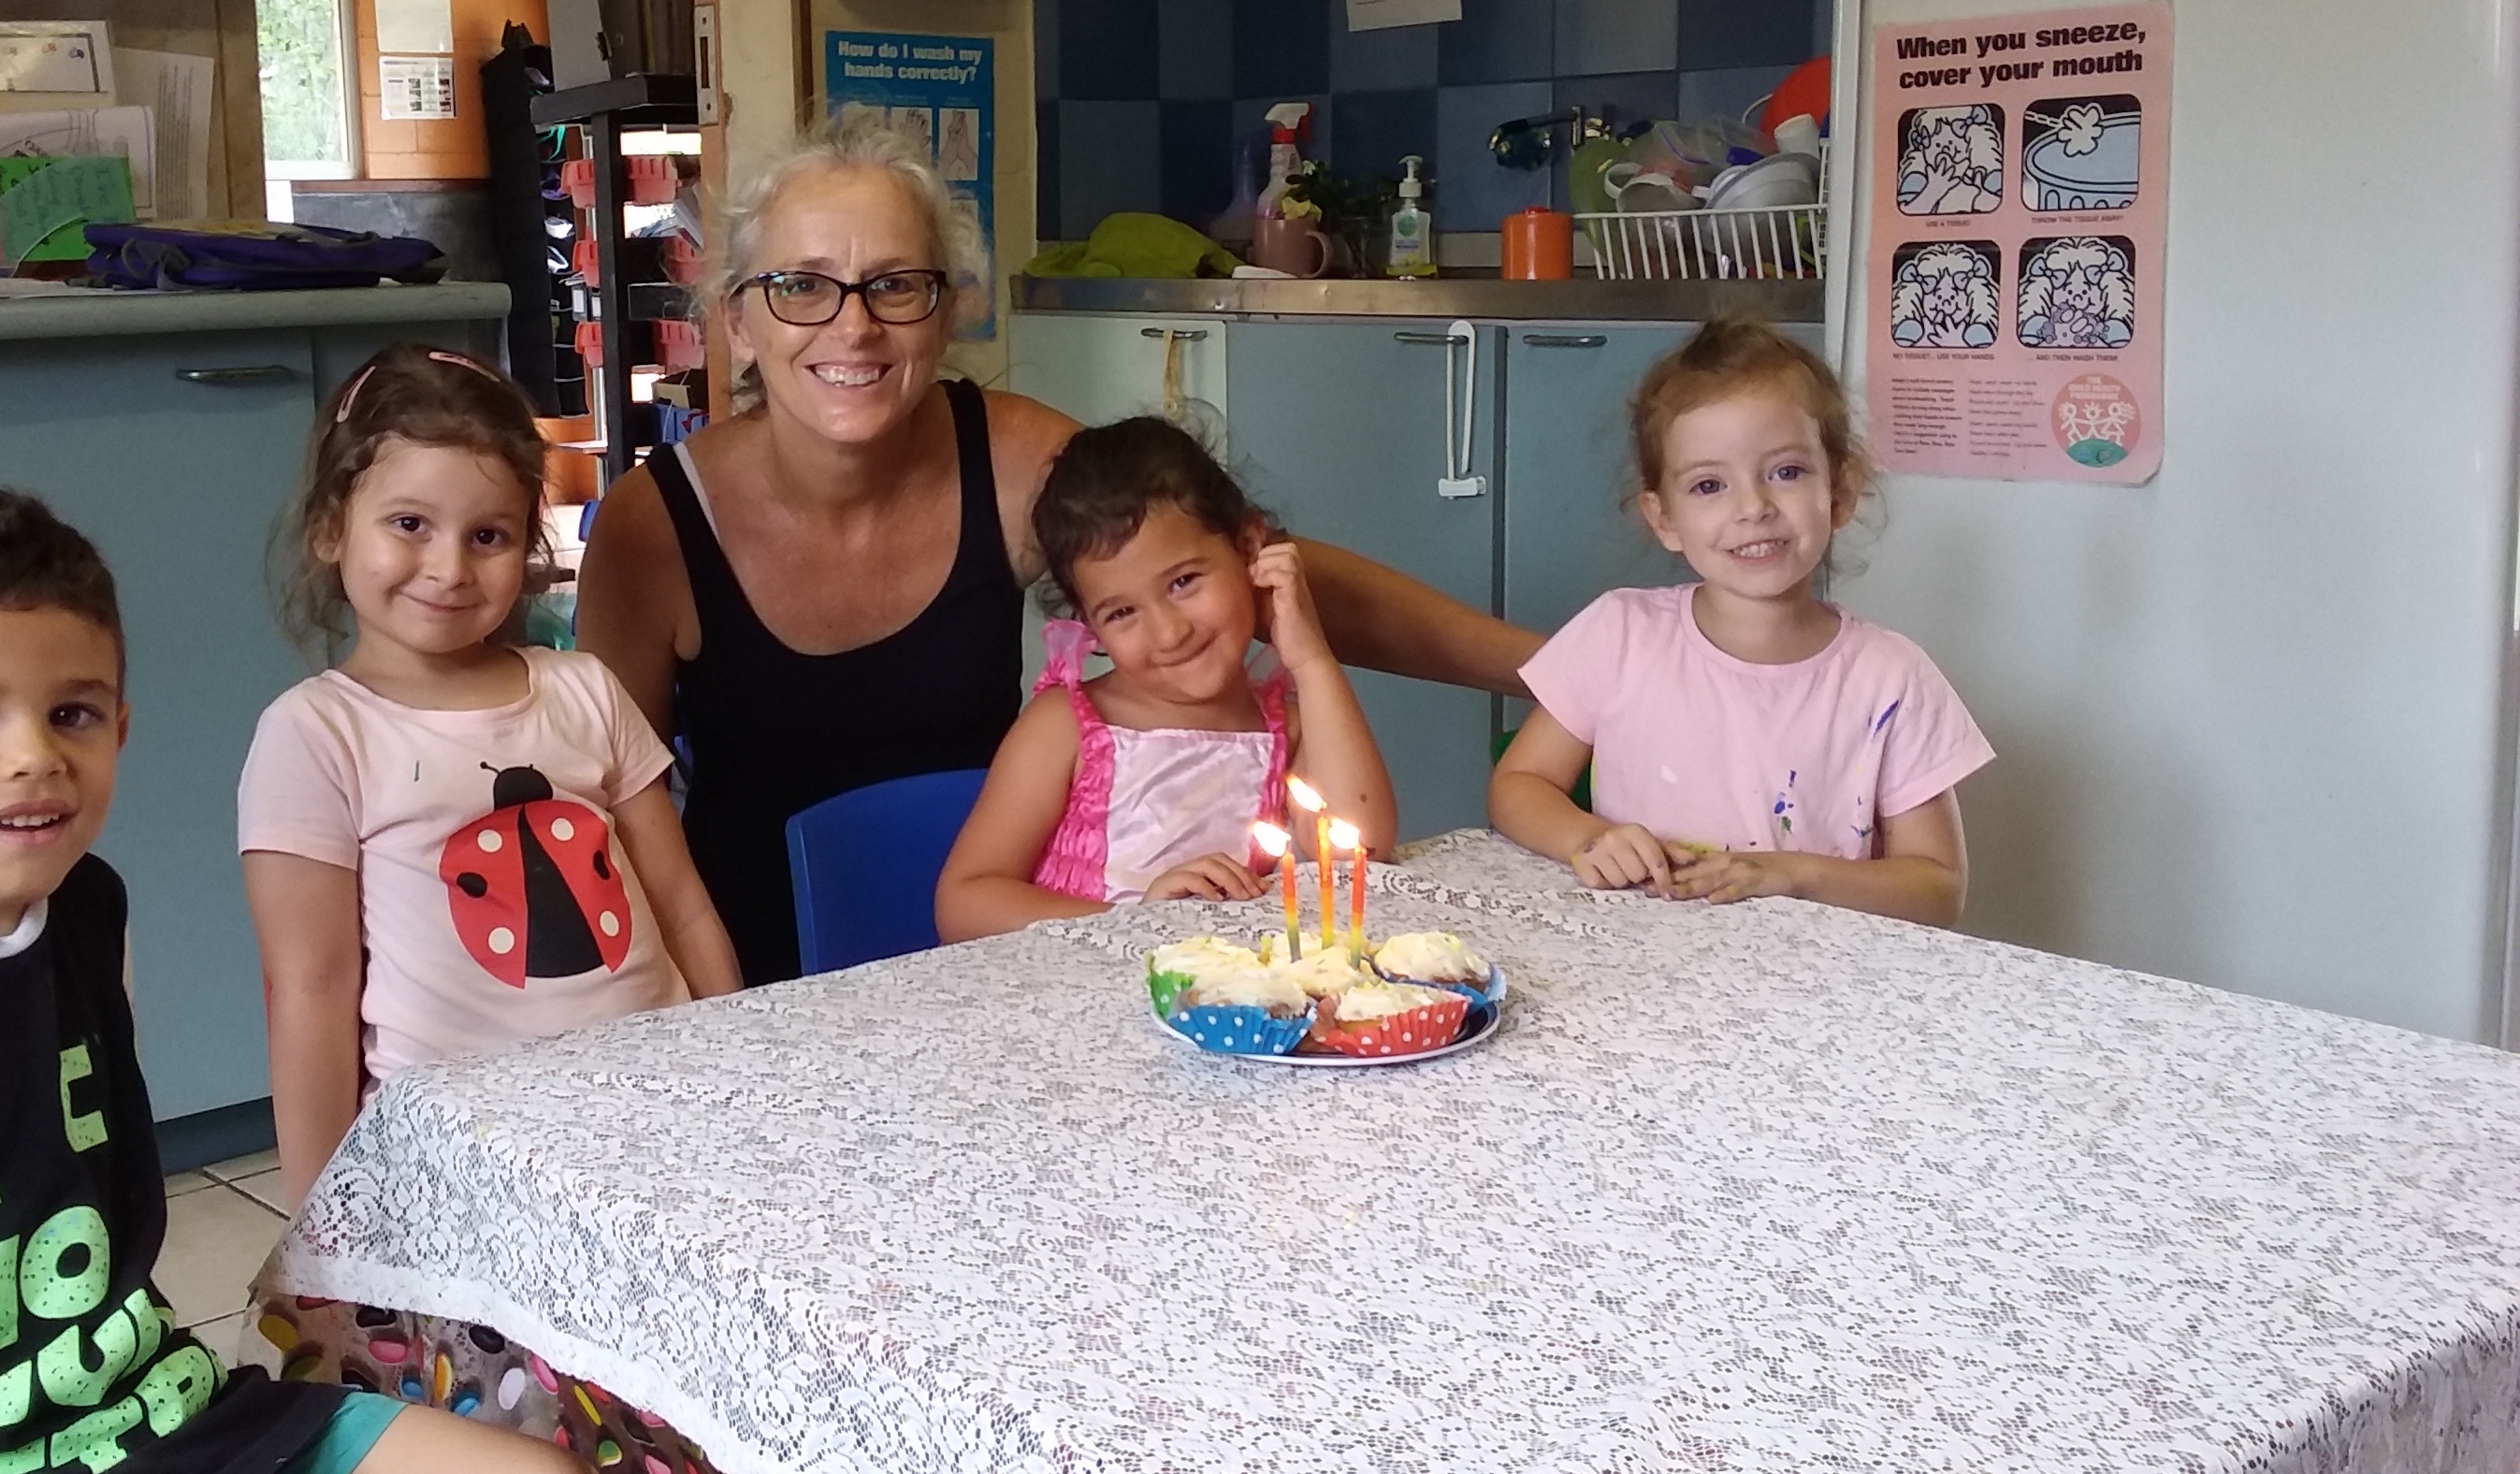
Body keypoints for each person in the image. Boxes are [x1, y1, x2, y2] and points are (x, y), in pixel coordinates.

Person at [0, 472, 585, 1474]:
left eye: (73, 712)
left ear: (122, 731)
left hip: (162, 1423)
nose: (34, 756)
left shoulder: (82, 912)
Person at [577, 120, 1542, 982]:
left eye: (897, 285)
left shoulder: (1008, 459)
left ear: (949, 312)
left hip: (1021, 973)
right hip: (756, 986)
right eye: (801, 287)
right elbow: (604, 801)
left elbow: (1265, 576)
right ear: (738, 323)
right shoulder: (653, 524)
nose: (854, 324)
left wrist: (1561, 675)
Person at [240, 346, 743, 1210]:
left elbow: (681, 902)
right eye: (408, 525)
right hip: (466, 1153)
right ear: (331, 527)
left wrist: (739, 1065)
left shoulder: (583, 687)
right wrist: (324, 1218)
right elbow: (312, 992)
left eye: (488, 536)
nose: (448, 568)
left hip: (656, 1113)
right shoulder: (316, 734)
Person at [1486, 318, 1993, 924]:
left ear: (1840, 491)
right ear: (1663, 517)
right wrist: (1586, 838)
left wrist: (1795, 873)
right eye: (1708, 485)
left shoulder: (1893, 678)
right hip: (1649, 967)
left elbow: (1937, 891)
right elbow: (1519, 784)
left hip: (1817, 987)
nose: (1753, 507)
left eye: (1786, 472)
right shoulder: (1618, 634)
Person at [935, 417, 1394, 935]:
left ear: (1248, 549)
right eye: (1121, 613)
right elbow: (964, 904)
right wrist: (1140, 922)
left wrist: (1311, 660)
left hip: (1222, 1006)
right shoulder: (1067, 727)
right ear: (1091, 626)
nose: (1169, 633)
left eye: (1183, 581)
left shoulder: (1288, 731)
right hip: (1082, 994)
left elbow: (1362, 851)